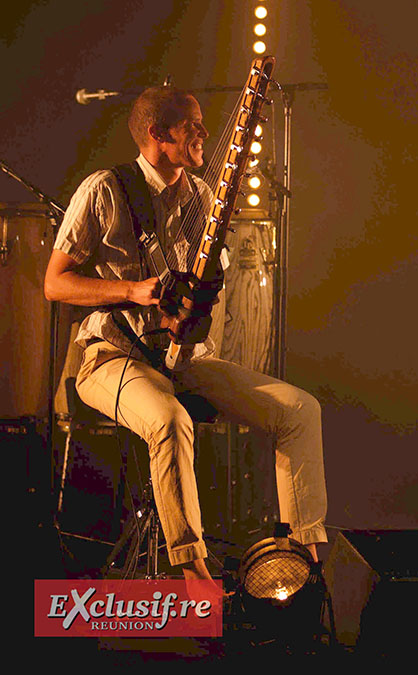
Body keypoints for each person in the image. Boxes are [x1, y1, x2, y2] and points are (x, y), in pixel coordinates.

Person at [44, 86, 327, 580]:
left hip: (183, 358)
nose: (203, 133)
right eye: (190, 125)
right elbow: (54, 283)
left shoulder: (200, 195)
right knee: (172, 421)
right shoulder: (105, 188)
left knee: (300, 410)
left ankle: (304, 566)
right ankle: (195, 576)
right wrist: (132, 291)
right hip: (109, 356)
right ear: (157, 133)